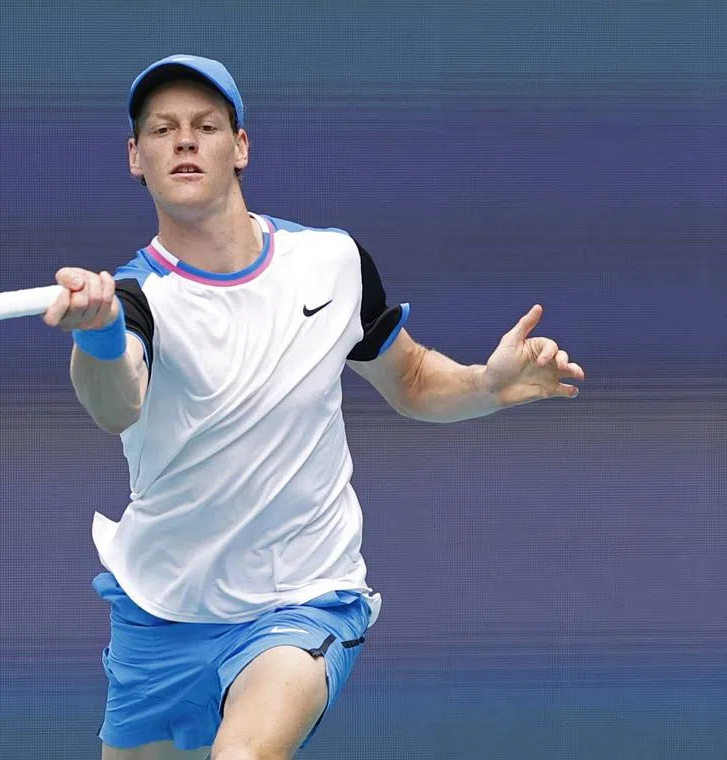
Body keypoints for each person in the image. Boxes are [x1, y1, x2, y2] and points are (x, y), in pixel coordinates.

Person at [42, 54, 585, 760]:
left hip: (302, 597)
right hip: (162, 611)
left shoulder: (331, 262)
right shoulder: (137, 299)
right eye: (162, 129)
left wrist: (487, 384)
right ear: (135, 158)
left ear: (240, 147)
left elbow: (412, 378)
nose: (184, 141)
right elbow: (116, 404)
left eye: (206, 126)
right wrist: (100, 332)